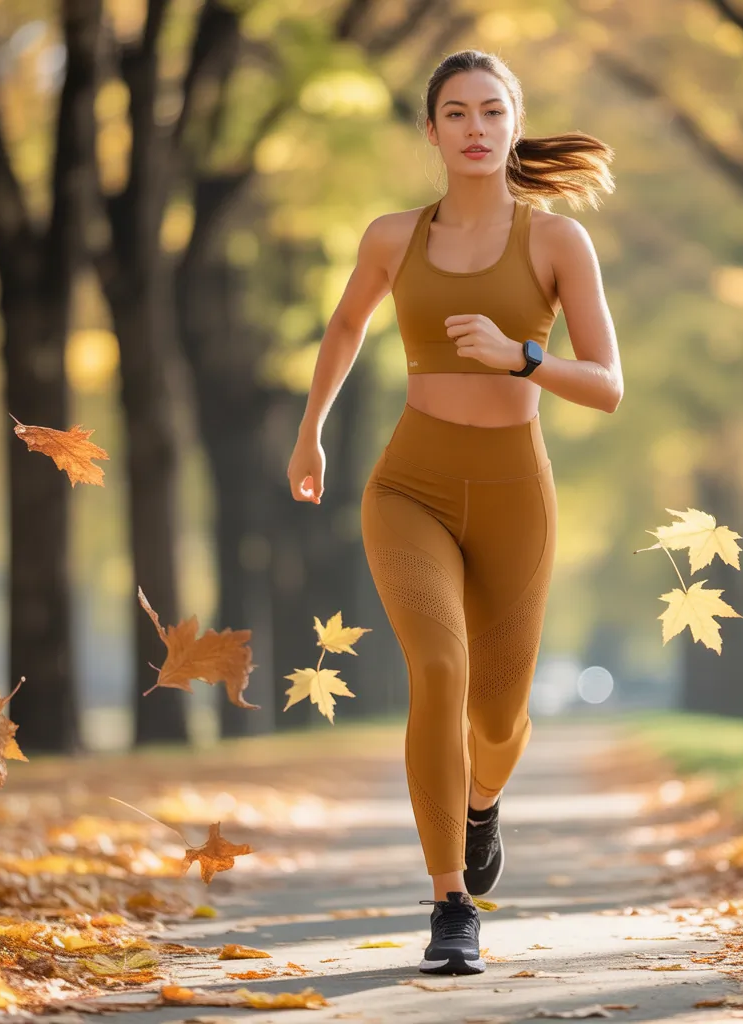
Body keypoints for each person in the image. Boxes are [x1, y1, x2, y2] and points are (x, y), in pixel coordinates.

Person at [287, 48, 621, 976]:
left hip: (516, 492)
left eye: (492, 112)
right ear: (430, 131)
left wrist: (523, 357)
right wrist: (311, 429)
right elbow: (348, 323)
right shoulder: (394, 237)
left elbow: (607, 386)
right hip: (410, 486)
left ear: (513, 126)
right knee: (438, 664)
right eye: (457, 113)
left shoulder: (556, 243)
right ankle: (450, 902)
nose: (475, 129)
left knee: (501, 718)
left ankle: (481, 804)